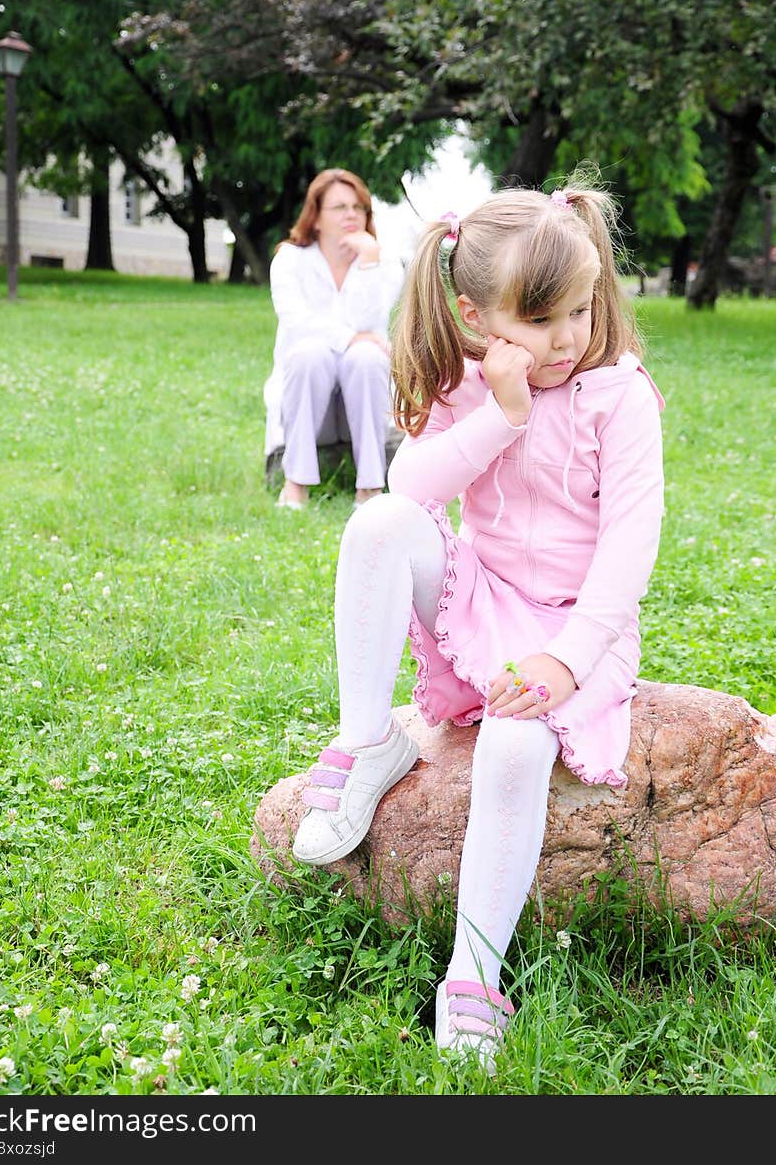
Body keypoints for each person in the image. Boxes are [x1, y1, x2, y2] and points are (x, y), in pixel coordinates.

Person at [289, 176, 665, 1071]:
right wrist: (502, 414)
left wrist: (566, 663)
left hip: (581, 633)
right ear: (475, 313)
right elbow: (412, 491)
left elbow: (627, 552)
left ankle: (474, 973)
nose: (568, 337)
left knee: (512, 740)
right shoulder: (470, 389)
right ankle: (366, 741)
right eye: (540, 321)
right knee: (378, 522)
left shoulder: (621, 396)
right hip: (486, 599)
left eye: (580, 310)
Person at [264, 167, 405, 509]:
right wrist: (354, 338)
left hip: (365, 398)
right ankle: (295, 485)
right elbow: (297, 322)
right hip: (308, 402)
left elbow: (373, 324)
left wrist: (368, 263)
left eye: (359, 208)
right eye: (340, 207)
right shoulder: (289, 261)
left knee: (368, 358)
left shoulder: (383, 264)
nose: (351, 215)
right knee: (310, 352)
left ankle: (370, 487)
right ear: (315, 217)